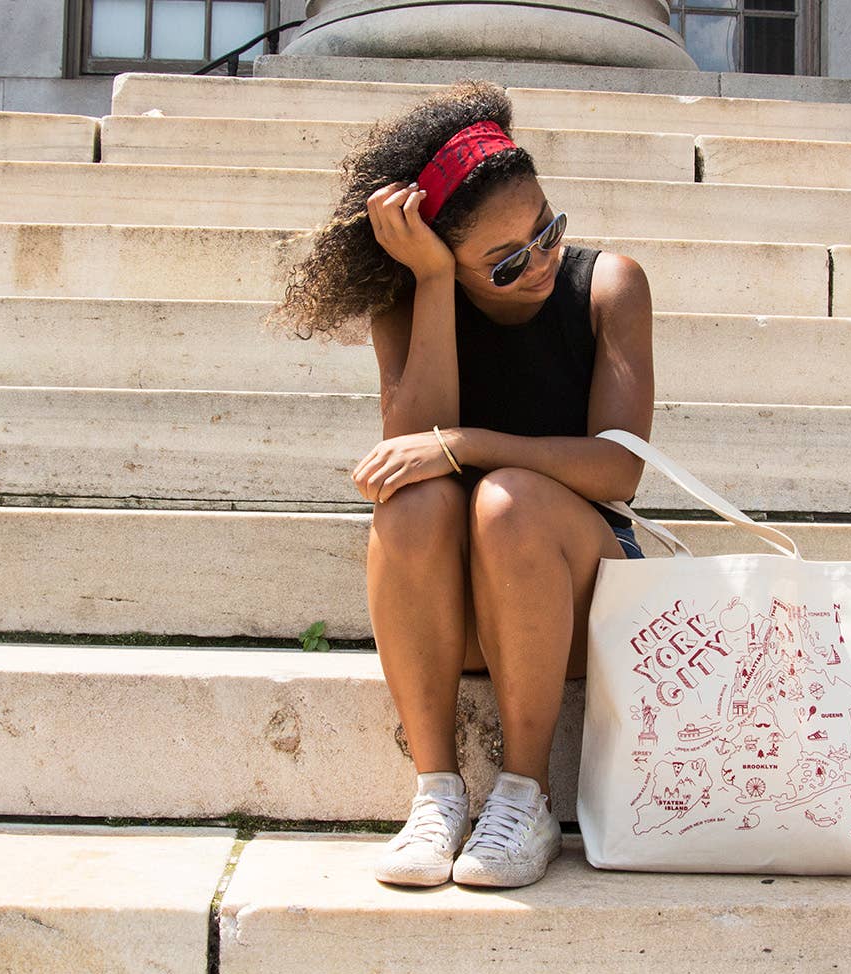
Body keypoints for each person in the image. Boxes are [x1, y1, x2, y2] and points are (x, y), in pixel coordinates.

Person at [265, 79, 654, 889]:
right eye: (505, 261)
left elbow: (620, 468)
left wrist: (470, 444)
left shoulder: (608, 286)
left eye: (547, 230)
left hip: (575, 590)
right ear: (443, 254)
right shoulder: (408, 307)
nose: (541, 261)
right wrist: (435, 285)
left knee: (506, 499)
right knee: (412, 499)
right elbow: (406, 453)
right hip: (460, 608)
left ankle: (526, 794)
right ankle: (437, 793)